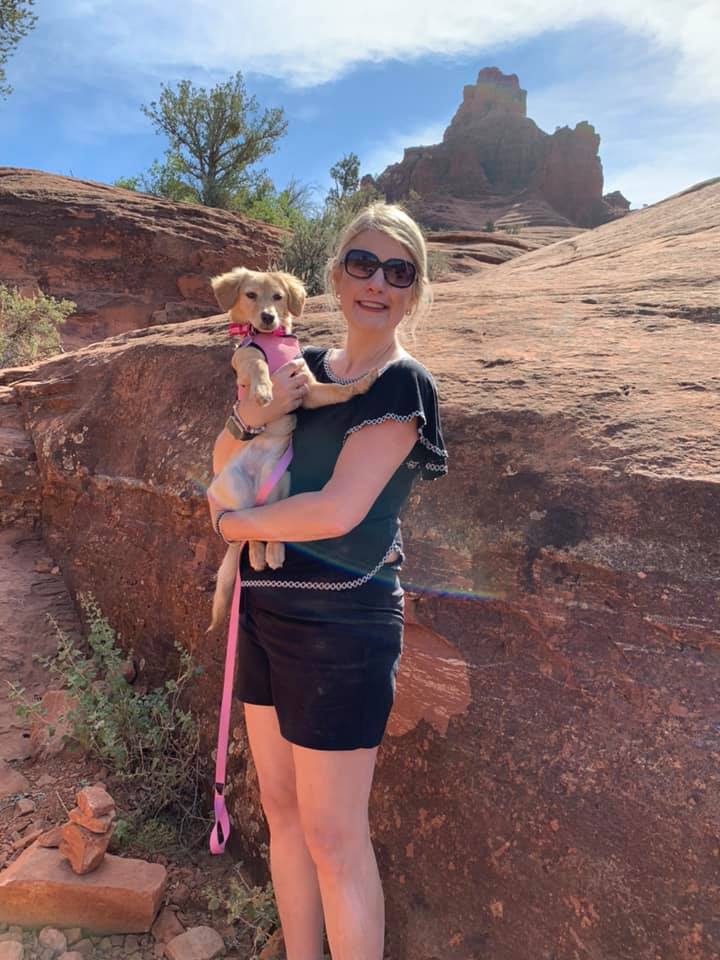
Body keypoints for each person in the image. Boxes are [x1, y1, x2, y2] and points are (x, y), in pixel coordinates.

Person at [207, 202, 447, 960]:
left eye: (398, 272)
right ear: (337, 276)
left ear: (415, 290)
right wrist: (248, 424)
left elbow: (341, 510)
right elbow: (227, 460)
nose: (378, 283)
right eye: (363, 265)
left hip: (343, 624)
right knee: (281, 811)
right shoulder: (300, 367)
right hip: (265, 607)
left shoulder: (402, 386)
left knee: (335, 836)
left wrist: (229, 529)